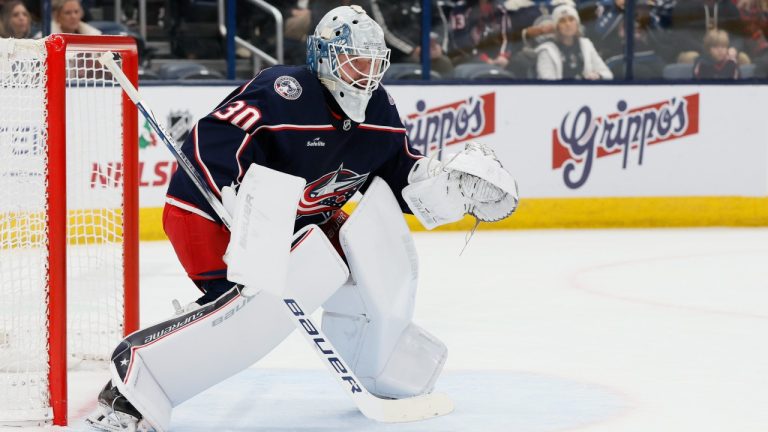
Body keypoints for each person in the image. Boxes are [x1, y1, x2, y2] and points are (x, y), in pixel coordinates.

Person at [86, 5, 518, 431]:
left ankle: (381, 367)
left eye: (373, 60)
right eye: (355, 59)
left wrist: (443, 186)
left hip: (296, 225)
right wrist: (231, 197)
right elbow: (211, 137)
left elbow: (396, 171)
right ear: (326, 57)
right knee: (244, 314)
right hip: (211, 214)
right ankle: (130, 392)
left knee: (366, 263)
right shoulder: (285, 91)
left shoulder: (380, 108)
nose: (366, 72)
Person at [535, 3, 613, 79]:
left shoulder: (586, 44)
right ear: (557, 27)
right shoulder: (547, 50)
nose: (568, 24)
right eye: (562, 21)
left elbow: (607, 74)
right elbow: (547, 85)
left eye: (571, 19)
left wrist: (598, 76)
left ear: (577, 24)